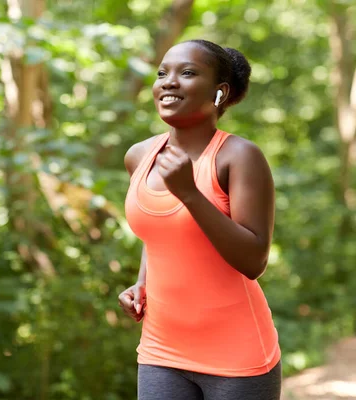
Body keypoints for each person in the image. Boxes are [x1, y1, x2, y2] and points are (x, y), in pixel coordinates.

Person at [118, 39, 281, 400]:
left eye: (187, 73)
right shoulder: (139, 156)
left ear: (219, 93)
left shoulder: (239, 157)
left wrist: (189, 194)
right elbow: (159, 235)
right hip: (161, 350)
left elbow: (254, 260)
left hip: (236, 356)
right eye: (163, 73)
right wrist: (140, 283)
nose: (169, 82)